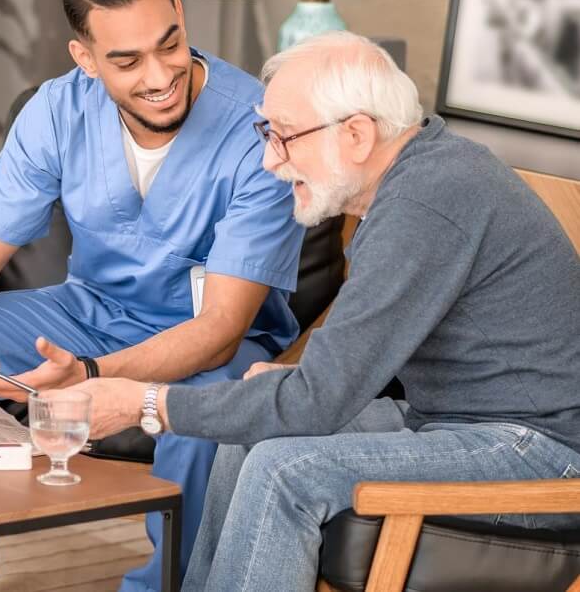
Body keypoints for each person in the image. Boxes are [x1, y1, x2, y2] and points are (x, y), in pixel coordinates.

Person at [71, 30, 580, 591]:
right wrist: (291, 385)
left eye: (284, 137)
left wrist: (144, 402)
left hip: (540, 449)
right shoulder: (418, 177)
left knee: (283, 469)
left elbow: (320, 400)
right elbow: (342, 370)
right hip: (454, 418)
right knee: (247, 434)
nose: (270, 161)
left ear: (357, 134)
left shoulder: (423, 204)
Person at [0, 0, 306, 592]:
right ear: (84, 59)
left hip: (211, 343)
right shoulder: (57, 111)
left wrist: (88, 377)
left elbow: (221, 328)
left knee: (205, 411)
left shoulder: (256, 128)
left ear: (178, 11)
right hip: (89, 312)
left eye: (168, 44)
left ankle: (167, 587)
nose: (157, 75)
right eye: (126, 59)